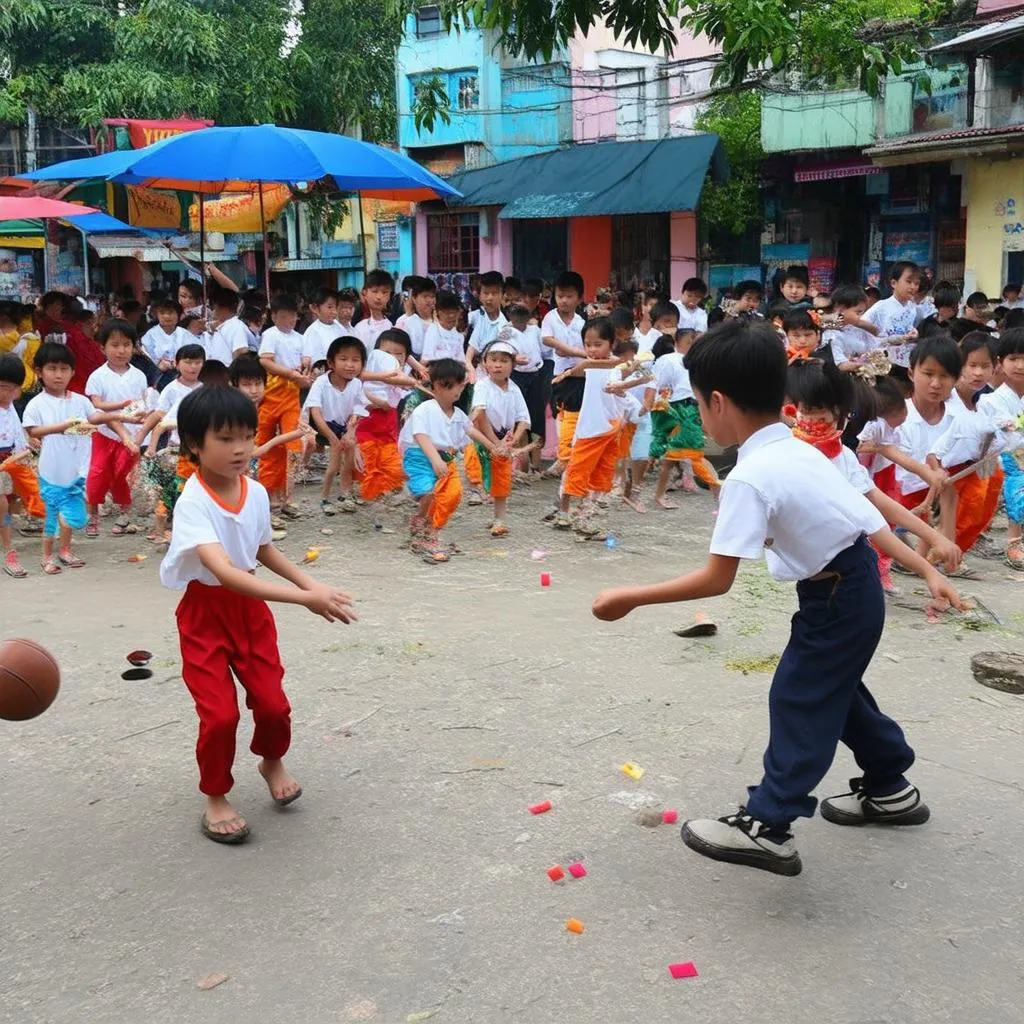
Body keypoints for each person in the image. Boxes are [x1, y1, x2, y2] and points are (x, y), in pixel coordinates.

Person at [592, 319, 962, 876]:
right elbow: (866, 522)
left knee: (799, 697)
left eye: (696, 402)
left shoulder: (751, 475)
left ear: (717, 402)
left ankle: (768, 822)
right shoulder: (799, 450)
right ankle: (889, 786)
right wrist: (928, 553)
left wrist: (632, 597)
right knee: (834, 692)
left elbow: (718, 579)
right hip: (849, 588)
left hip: (838, 594)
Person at [159, 385, 356, 843]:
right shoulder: (193, 502)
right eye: (225, 438)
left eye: (246, 436)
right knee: (220, 716)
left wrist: (313, 585)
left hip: (251, 613)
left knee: (273, 705)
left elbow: (263, 549)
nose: (241, 448)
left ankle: (271, 759)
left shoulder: (255, 490)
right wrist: (303, 599)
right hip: (206, 614)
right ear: (193, 444)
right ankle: (215, 795)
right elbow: (224, 573)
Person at [22, 343, 132, 574]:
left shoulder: (80, 401)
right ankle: (46, 556)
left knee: (71, 511)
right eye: (52, 368)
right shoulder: (37, 403)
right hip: (52, 469)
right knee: (53, 513)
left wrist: (125, 424)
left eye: (64, 369)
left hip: (78, 468)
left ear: (72, 372)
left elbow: (98, 417)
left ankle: (65, 549)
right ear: (40, 371)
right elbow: (33, 430)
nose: (58, 374)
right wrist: (62, 427)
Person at [399, 358, 497, 563]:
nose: (454, 391)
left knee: (452, 495)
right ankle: (423, 521)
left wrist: (493, 447)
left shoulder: (459, 414)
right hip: (420, 456)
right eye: (448, 385)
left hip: (446, 459)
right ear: (436, 385)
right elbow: (420, 435)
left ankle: (432, 529)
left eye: (457, 386)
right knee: (428, 492)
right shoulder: (424, 410)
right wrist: (434, 460)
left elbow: (470, 430)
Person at [550, 316, 625, 538]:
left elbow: (618, 365)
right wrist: (576, 368)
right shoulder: (589, 367)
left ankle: (585, 515)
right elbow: (590, 366)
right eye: (587, 344)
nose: (592, 350)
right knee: (577, 473)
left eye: (598, 344)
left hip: (611, 429)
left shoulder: (613, 365)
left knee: (602, 474)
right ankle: (567, 513)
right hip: (590, 430)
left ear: (612, 343)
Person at [83, 318, 149, 538]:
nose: (121, 350)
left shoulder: (138, 375)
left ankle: (124, 513)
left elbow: (141, 404)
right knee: (97, 474)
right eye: (115, 345)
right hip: (104, 434)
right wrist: (121, 407)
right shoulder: (97, 376)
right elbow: (97, 405)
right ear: (103, 347)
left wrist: (140, 419)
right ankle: (92, 514)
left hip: (129, 435)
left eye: (126, 345)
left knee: (123, 474)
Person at [138, 343, 206, 544]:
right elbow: (161, 420)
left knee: (194, 491)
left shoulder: (204, 390)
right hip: (176, 451)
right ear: (177, 364)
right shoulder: (172, 390)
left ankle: (185, 529)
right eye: (188, 361)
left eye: (197, 362)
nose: (192, 366)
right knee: (169, 491)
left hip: (199, 451)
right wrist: (150, 446)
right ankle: (161, 531)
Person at [648, 327, 720, 508]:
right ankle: (718, 497)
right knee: (691, 456)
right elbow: (658, 385)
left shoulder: (699, 362)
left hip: (691, 408)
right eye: (690, 342)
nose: (694, 346)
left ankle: (660, 495)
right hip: (679, 409)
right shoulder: (670, 359)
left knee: (676, 458)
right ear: (676, 342)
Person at [257, 295, 312, 518]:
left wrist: (305, 372)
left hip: (292, 393)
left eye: (292, 316)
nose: (289, 320)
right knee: (266, 445)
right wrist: (291, 373)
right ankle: (269, 497)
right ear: (274, 317)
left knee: (293, 445)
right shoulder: (270, 335)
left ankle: (288, 497)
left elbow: (306, 361)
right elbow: (265, 360)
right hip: (272, 392)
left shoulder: (300, 338)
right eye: (283, 316)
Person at [470, 340, 530, 536]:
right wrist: (495, 443)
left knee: (501, 480)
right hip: (484, 438)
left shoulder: (515, 389)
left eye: (504, 361)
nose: (498, 365)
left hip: (505, 439)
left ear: (512, 365)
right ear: (485, 363)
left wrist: (513, 440)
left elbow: (524, 420)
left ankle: (500, 518)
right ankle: (496, 514)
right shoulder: (482, 386)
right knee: (486, 478)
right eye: (493, 360)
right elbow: (480, 413)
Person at [302, 336, 368, 516]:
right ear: (331, 362)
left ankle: (345, 494)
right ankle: (325, 498)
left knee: (349, 462)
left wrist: (351, 430)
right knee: (333, 467)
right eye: (344, 359)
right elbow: (315, 412)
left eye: (356, 360)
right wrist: (331, 437)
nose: (350, 365)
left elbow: (359, 409)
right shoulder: (321, 383)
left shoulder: (356, 384)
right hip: (326, 427)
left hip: (346, 426)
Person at [357, 330, 419, 519]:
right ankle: (374, 499)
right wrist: (376, 400)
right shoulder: (368, 374)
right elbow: (361, 387)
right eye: (386, 353)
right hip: (367, 424)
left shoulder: (399, 377)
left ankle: (382, 494)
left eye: (398, 354)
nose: (391, 358)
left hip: (388, 426)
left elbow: (405, 384)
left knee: (390, 461)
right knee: (370, 460)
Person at [542, 271, 587, 478]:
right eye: (560, 296)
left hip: (581, 377)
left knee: (578, 419)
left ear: (579, 297)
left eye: (569, 296)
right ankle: (563, 458)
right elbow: (550, 341)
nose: (564, 300)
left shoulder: (582, 322)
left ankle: (573, 458)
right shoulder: (550, 318)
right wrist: (577, 352)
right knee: (561, 418)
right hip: (561, 376)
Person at [504, 304, 546, 474]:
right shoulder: (505, 331)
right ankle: (523, 466)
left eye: (523, 316)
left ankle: (536, 465)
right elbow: (500, 351)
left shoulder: (535, 330)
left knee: (536, 418)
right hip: (516, 376)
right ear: (511, 317)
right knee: (519, 419)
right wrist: (513, 358)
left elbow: (545, 351)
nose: (520, 320)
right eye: (516, 316)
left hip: (535, 375)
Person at [824, 285, 881, 370]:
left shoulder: (856, 327)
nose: (860, 316)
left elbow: (877, 338)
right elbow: (840, 364)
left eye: (862, 313)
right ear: (841, 308)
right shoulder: (831, 334)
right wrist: (861, 365)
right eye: (858, 312)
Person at [141, 298, 192, 389]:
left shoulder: (185, 334)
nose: (167, 316)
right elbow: (145, 355)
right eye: (163, 313)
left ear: (178, 315)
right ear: (157, 315)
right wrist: (158, 364)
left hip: (182, 374)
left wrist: (178, 363)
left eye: (171, 313)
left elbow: (194, 354)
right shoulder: (150, 335)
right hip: (157, 377)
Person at [466, 271, 507, 378]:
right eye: (486, 293)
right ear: (479, 296)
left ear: (502, 295)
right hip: (477, 375)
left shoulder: (507, 321)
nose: (489, 298)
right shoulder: (472, 317)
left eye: (494, 293)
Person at [864, 262, 921, 339]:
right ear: (894, 283)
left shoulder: (915, 309)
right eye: (909, 282)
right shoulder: (881, 307)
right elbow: (861, 325)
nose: (913, 287)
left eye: (916, 283)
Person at [352, 270, 395, 354]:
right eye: (375, 291)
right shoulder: (357, 323)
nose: (379, 297)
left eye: (384, 292)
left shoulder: (392, 324)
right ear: (365, 292)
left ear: (390, 295)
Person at [205, 288, 250, 365]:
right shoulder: (224, 326)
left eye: (212, 307)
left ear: (219, 306)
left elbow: (241, 352)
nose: (212, 311)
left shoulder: (236, 326)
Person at [300, 288, 344, 366]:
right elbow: (313, 360)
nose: (334, 311)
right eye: (329, 307)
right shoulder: (313, 331)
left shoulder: (339, 327)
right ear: (316, 308)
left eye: (335, 307)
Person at [397, 278, 437, 362]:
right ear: (414, 298)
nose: (430, 300)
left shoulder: (440, 320)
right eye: (425, 296)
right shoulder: (404, 320)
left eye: (432, 296)